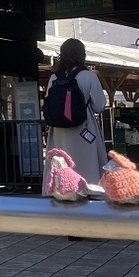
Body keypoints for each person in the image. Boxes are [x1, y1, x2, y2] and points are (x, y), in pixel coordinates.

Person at [45, 37, 108, 185]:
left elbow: (48, 103)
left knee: (61, 162)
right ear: (82, 55)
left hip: (58, 131)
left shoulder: (54, 78)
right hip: (83, 128)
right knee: (86, 166)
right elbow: (99, 106)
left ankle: (61, 188)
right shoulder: (89, 76)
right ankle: (87, 189)